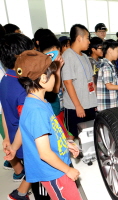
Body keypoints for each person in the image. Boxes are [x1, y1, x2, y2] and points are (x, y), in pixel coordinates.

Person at [5, 50, 81, 200]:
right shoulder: (36, 110)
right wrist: (68, 170)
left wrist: (64, 143)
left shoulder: (35, 101)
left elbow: (27, 129)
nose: (55, 77)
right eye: (53, 74)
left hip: (56, 167)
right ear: (44, 78)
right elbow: (45, 153)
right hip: (54, 173)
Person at [0, 33, 45, 200]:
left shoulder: (5, 79)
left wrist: (6, 137)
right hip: (29, 140)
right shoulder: (23, 87)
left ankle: (19, 193)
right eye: (31, 52)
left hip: (15, 138)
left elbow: (5, 110)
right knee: (41, 174)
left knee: (33, 168)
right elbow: (28, 123)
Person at [61, 24, 97, 139]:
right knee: (73, 136)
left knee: (88, 136)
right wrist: (78, 106)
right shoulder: (68, 56)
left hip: (88, 104)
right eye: (87, 38)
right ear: (79, 38)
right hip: (75, 107)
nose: (89, 42)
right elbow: (67, 82)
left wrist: (93, 101)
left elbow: (90, 80)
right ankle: (67, 156)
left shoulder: (85, 57)